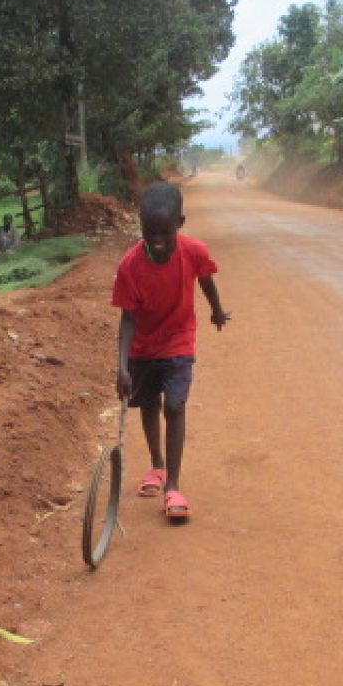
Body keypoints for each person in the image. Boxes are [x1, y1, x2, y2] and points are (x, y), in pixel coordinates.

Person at [112, 181, 230, 522]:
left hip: (178, 337)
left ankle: (173, 486)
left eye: (165, 232)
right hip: (143, 345)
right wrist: (122, 367)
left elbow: (206, 280)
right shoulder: (130, 266)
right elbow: (128, 319)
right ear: (140, 226)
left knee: (175, 406)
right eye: (149, 233)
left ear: (180, 223)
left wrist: (217, 311)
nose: (157, 241)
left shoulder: (193, 252)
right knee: (149, 404)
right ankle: (157, 466)